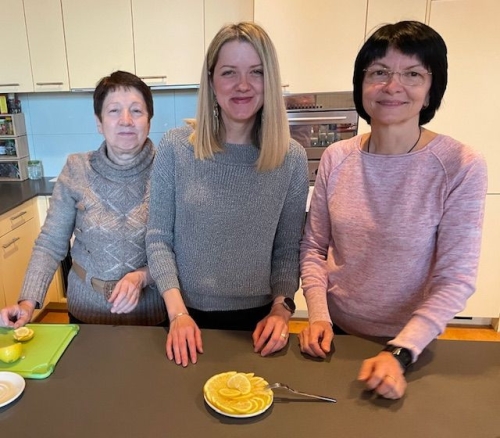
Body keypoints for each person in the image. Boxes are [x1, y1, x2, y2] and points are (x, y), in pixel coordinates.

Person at [299, 21, 487, 399]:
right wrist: (318, 314)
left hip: (410, 345)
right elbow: (313, 247)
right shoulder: (337, 157)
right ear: (362, 85)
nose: (392, 86)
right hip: (335, 336)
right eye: (379, 72)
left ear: (432, 90)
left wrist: (400, 351)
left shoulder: (460, 164)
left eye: (413, 74)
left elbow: (456, 277)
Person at [146, 22, 309, 367]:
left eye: (256, 72)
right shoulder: (176, 148)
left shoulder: (290, 158)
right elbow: (158, 238)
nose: (243, 85)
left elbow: (287, 248)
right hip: (183, 316)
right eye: (229, 72)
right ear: (211, 81)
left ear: (270, 80)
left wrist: (282, 309)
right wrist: (177, 314)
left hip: (257, 324)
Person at [0, 71, 167, 327]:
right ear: (99, 123)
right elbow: (51, 243)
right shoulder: (77, 168)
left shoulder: (168, 170)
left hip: (153, 315)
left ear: (149, 121)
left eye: (136, 111)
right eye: (113, 111)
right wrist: (27, 302)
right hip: (85, 313)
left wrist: (143, 277)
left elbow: (182, 249)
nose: (126, 120)